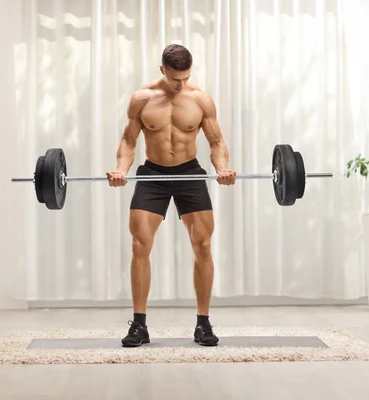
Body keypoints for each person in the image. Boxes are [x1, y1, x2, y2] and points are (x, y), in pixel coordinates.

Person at [106, 44, 236, 347]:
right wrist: (120, 170)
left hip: (189, 174)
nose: (181, 85)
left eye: (186, 78)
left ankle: (203, 324)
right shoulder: (142, 99)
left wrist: (223, 168)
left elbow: (216, 142)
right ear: (162, 70)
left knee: (203, 244)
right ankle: (139, 326)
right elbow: (128, 140)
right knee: (140, 244)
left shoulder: (200, 99)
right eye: (175, 79)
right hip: (153, 175)